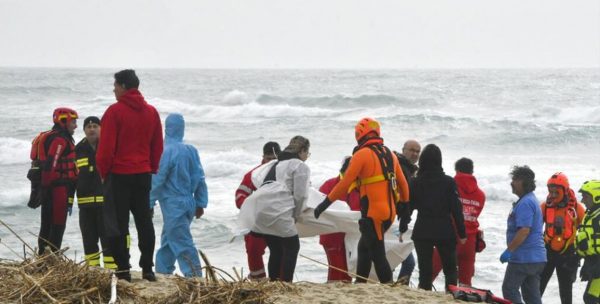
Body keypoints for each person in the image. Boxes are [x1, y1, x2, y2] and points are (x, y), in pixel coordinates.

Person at [314, 117, 409, 283]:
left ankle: (388, 285)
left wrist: (324, 204)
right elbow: (403, 184)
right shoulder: (390, 155)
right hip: (389, 213)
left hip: (374, 213)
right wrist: (405, 208)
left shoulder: (362, 154)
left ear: (359, 134)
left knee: (378, 254)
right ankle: (360, 283)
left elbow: (345, 183)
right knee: (364, 248)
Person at [97, 69, 163, 282]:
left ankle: (123, 268)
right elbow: (157, 145)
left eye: (115, 85)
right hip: (143, 174)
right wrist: (151, 167)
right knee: (144, 221)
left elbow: (106, 148)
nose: (113, 89)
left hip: (119, 175)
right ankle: (147, 268)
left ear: (124, 87)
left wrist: (102, 172)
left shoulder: (114, 112)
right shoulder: (151, 112)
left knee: (118, 224)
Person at [150, 113, 208, 278]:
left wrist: (149, 201)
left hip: (173, 203)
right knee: (169, 239)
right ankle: (162, 271)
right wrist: (200, 202)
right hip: (189, 201)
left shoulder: (165, 151)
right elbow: (200, 177)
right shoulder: (191, 150)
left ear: (166, 128)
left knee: (182, 242)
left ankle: (195, 276)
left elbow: (158, 179)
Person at [249, 136, 311, 282]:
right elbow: (300, 195)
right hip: (279, 211)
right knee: (292, 247)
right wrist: (295, 215)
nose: (307, 157)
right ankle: (286, 283)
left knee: (276, 250)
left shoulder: (276, 163)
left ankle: (274, 282)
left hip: (261, 210)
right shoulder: (300, 166)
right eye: (307, 153)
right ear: (302, 150)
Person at [407, 144, 466, 291]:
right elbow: (456, 209)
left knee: (425, 272)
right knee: (451, 271)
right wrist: (462, 233)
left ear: (422, 161)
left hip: (423, 230)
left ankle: (424, 296)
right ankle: (451, 297)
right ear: (439, 160)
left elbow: (408, 206)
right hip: (444, 230)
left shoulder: (416, 182)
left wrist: (402, 226)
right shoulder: (448, 182)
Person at [68, 116, 116, 269]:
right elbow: (71, 178)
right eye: (88, 127)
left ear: (101, 129)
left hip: (106, 204)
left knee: (108, 239)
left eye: (95, 126)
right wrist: (69, 200)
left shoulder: (109, 146)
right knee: (89, 241)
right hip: (85, 206)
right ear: (84, 130)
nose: (92, 129)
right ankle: (93, 270)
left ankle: (112, 271)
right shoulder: (78, 150)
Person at [431, 157, 486, 286]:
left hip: (448, 236)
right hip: (469, 240)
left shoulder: (449, 186)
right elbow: (474, 215)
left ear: (457, 170)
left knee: (430, 273)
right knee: (465, 282)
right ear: (472, 172)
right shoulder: (481, 195)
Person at [235, 141, 281, 280]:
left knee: (282, 251)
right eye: (268, 158)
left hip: (277, 219)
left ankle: (280, 280)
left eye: (274, 159)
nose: (271, 162)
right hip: (256, 221)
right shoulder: (253, 175)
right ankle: (258, 279)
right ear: (263, 157)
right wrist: (251, 207)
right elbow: (239, 197)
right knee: (253, 249)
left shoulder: (285, 173)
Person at [500, 166, 546, 304]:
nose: (512, 182)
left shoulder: (526, 203)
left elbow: (524, 230)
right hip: (537, 258)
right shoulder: (530, 200)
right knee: (532, 297)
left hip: (524, 258)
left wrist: (509, 251)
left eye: (515, 179)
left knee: (509, 289)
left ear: (524, 182)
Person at [37, 108, 79, 254]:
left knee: (47, 225)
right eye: (73, 122)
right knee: (57, 225)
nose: (76, 126)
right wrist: (48, 191)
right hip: (57, 190)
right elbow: (51, 164)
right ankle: (51, 260)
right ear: (64, 121)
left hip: (51, 189)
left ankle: (43, 259)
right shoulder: (60, 140)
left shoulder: (54, 136)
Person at [539, 172, 585, 304]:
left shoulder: (577, 208)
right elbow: (534, 229)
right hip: (547, 252)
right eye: (550, 192)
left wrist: (581, 254)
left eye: (556, 192)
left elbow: (588, 230)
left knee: (566, 292)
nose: (552, 195)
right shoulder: (545, 207)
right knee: (537, 288)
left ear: (565, 191)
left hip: (568, 254)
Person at [318, 156, 360, 283]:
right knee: (337, 271)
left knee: (348, 273)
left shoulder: (360, 187)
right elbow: (319, 209)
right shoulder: (330, 185)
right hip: (332, 236)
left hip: (352, 237)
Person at [395, 139, 421, 285]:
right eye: (411, 150)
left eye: (417, 151)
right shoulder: (399, 167)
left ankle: (397, 287)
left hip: (400, 222)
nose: (415, 154)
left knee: (405, 259)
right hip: (393, 220)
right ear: (403, 150)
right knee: (408, 261)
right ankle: (398, 287)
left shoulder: (411, 170)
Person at [576, 180, 600, 304]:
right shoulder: (590, 215)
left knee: (591, 298)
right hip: (593, 262)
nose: (582, 201)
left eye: (585, 197)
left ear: (596, 197)